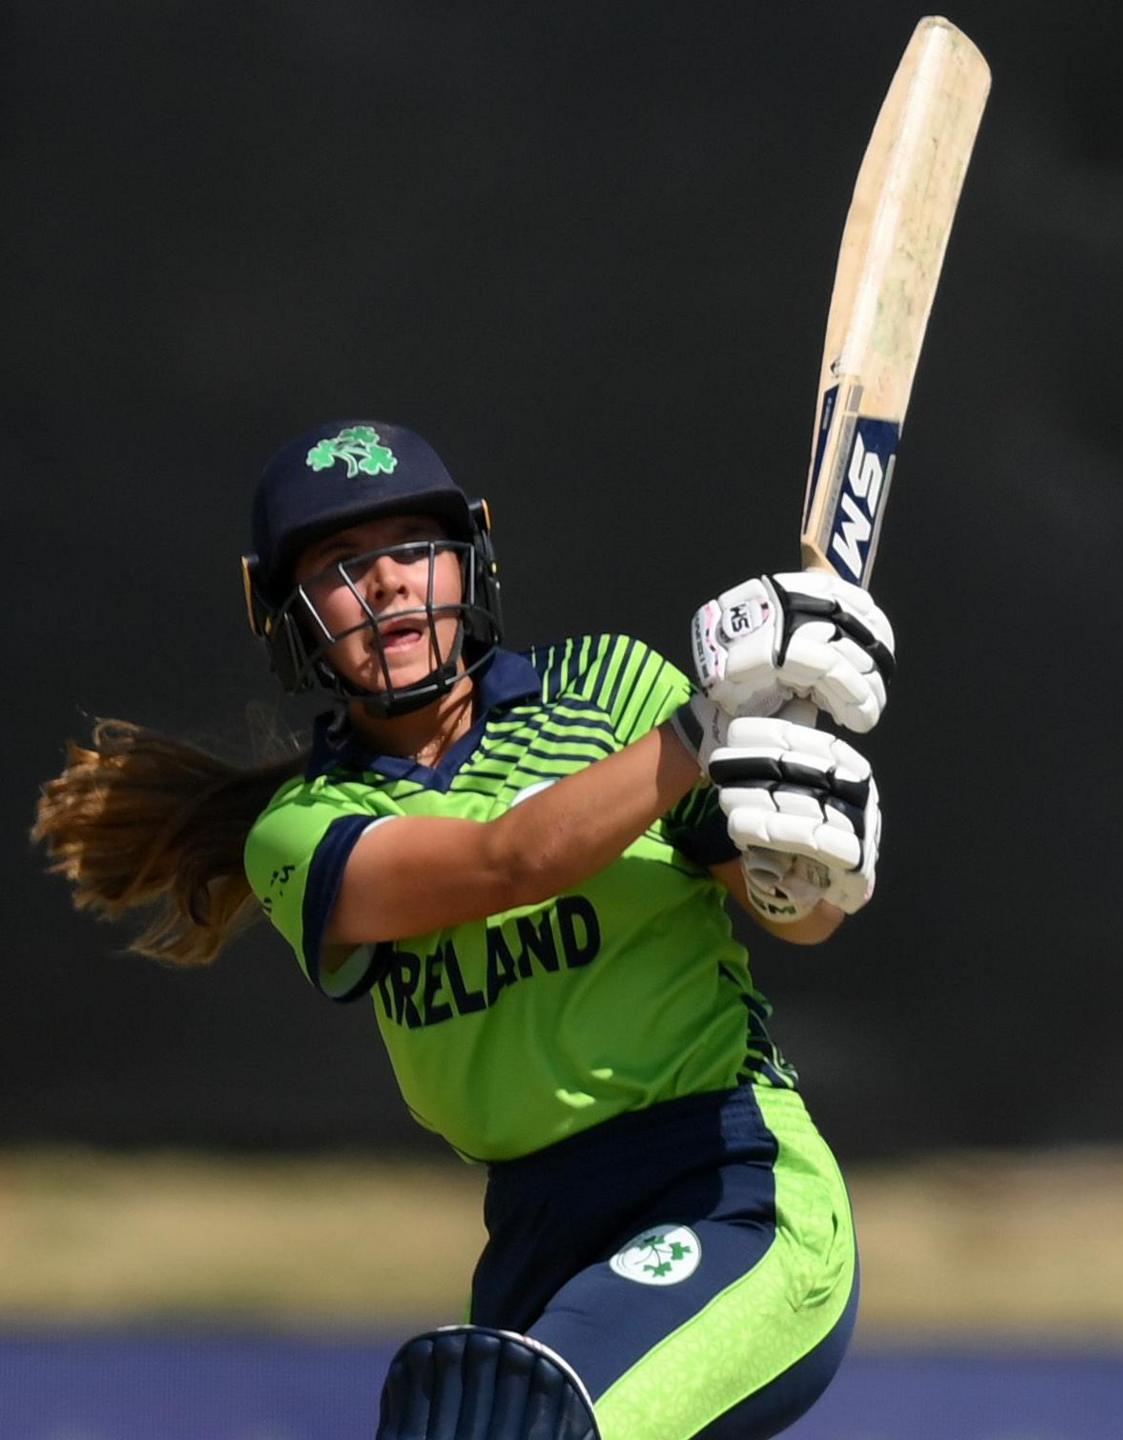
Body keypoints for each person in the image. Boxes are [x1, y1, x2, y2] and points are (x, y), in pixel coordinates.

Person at [32, 420, 897, 1440]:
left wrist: (806, 876)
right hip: (538, 1241)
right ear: (288, 614)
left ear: (469, 557)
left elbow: (792, 916)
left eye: (412, 546)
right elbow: (509, 862)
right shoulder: (299, 832)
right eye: (344, 565)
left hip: (728, 1191)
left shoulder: (613, 690)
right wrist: (710, 728)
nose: (389, 583)